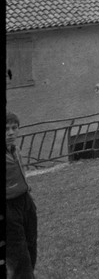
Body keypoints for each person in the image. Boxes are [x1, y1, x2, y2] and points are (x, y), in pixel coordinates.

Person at [7, 110, 38, 278]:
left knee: (31, 245)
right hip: (9, 207)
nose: (11, 133)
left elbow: (21, 172)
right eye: (6, 129)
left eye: (14, 128)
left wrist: (28, 195)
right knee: (19, 255)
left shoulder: (15, 149)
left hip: (25, 202)